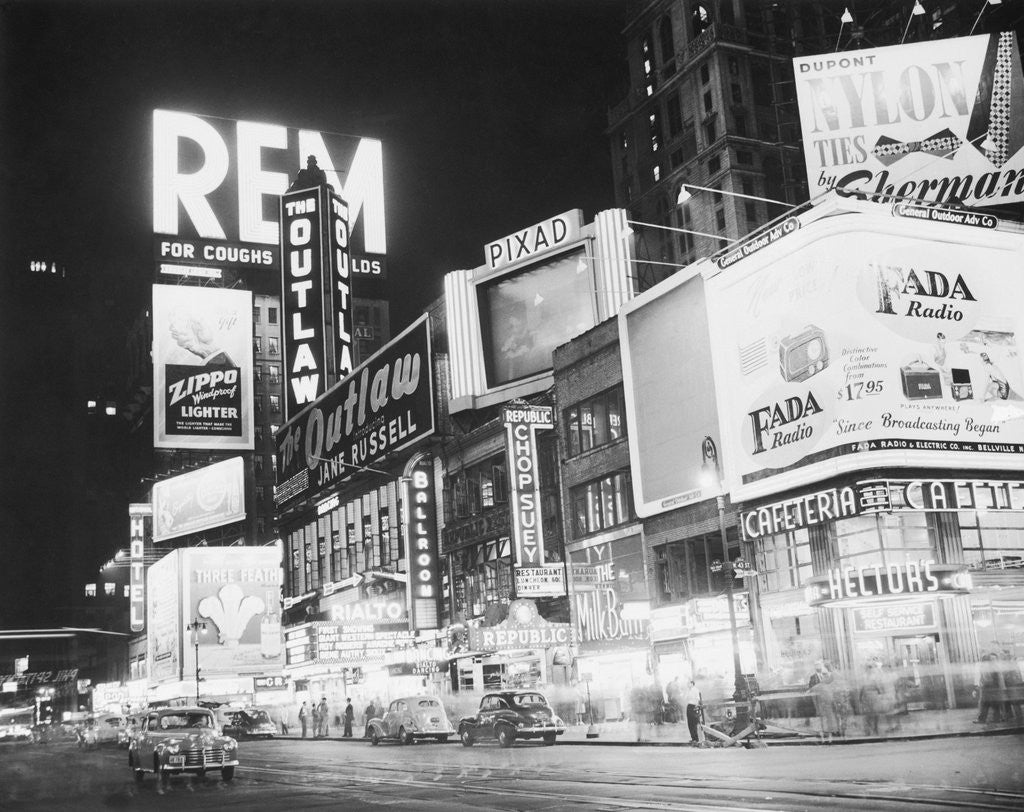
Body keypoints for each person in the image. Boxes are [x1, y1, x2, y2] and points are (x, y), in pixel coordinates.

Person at [807, 661, 839, 743]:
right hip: (820, 703)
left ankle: (830, 736)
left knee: (828, 719)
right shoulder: (816, 680)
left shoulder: (828, 680)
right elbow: (811, 689)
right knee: (822, 720)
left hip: (827, 703)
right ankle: (824, 737)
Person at [976, 653, 1005, 723]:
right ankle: (994, 719)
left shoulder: (991, 667)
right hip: (990, 688)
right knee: (989, 704)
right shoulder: (988, 666)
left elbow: (993, 678)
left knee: (987, 704)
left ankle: (985, 719)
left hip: (989, 688)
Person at [683, 679, 702, 745]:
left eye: (689, 683)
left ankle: (696, 738)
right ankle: (693, 738)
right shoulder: (688, 690)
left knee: (694, 722)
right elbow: (685, 698)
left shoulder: (695, 690)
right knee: (690, 723)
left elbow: (698, 699)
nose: (687, 685)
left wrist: (696, 707)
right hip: (689, 706)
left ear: (692, 683)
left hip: (693, 706)